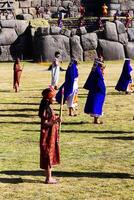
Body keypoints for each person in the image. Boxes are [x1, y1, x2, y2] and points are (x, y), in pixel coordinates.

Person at [38, 87, 60, 184]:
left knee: (49, 154)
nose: (55, 99)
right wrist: (55, 121)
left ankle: (49, 177)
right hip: (47, 137)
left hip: (51, 135)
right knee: (48, 155)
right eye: (53, 97)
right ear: (48, 98)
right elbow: (44, 124)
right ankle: (48, 178)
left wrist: (55, 118)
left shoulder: (48, 107)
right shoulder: (45, 109)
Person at [83, 60, 106, 124]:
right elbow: (100, 82)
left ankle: (96, 119)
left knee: (95, 104)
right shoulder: (98, 71)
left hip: (94, 90)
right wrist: (103, 90)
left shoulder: (95, 70)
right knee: (97, 104)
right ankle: (96, 120)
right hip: (97, 91)